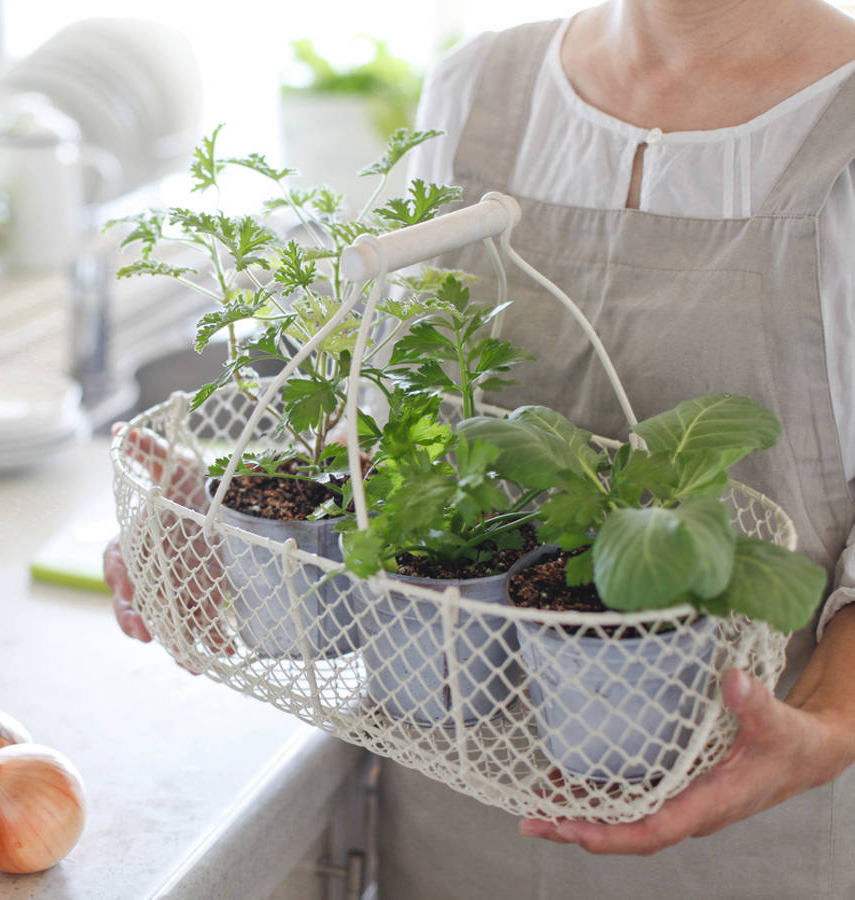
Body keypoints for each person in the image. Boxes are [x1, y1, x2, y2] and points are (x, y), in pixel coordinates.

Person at [106, 1, 855, 895]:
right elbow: (389, 434)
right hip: (450, 823)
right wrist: (246, 519)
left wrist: (827, 726)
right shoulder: (477, 88)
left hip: (747, 837)